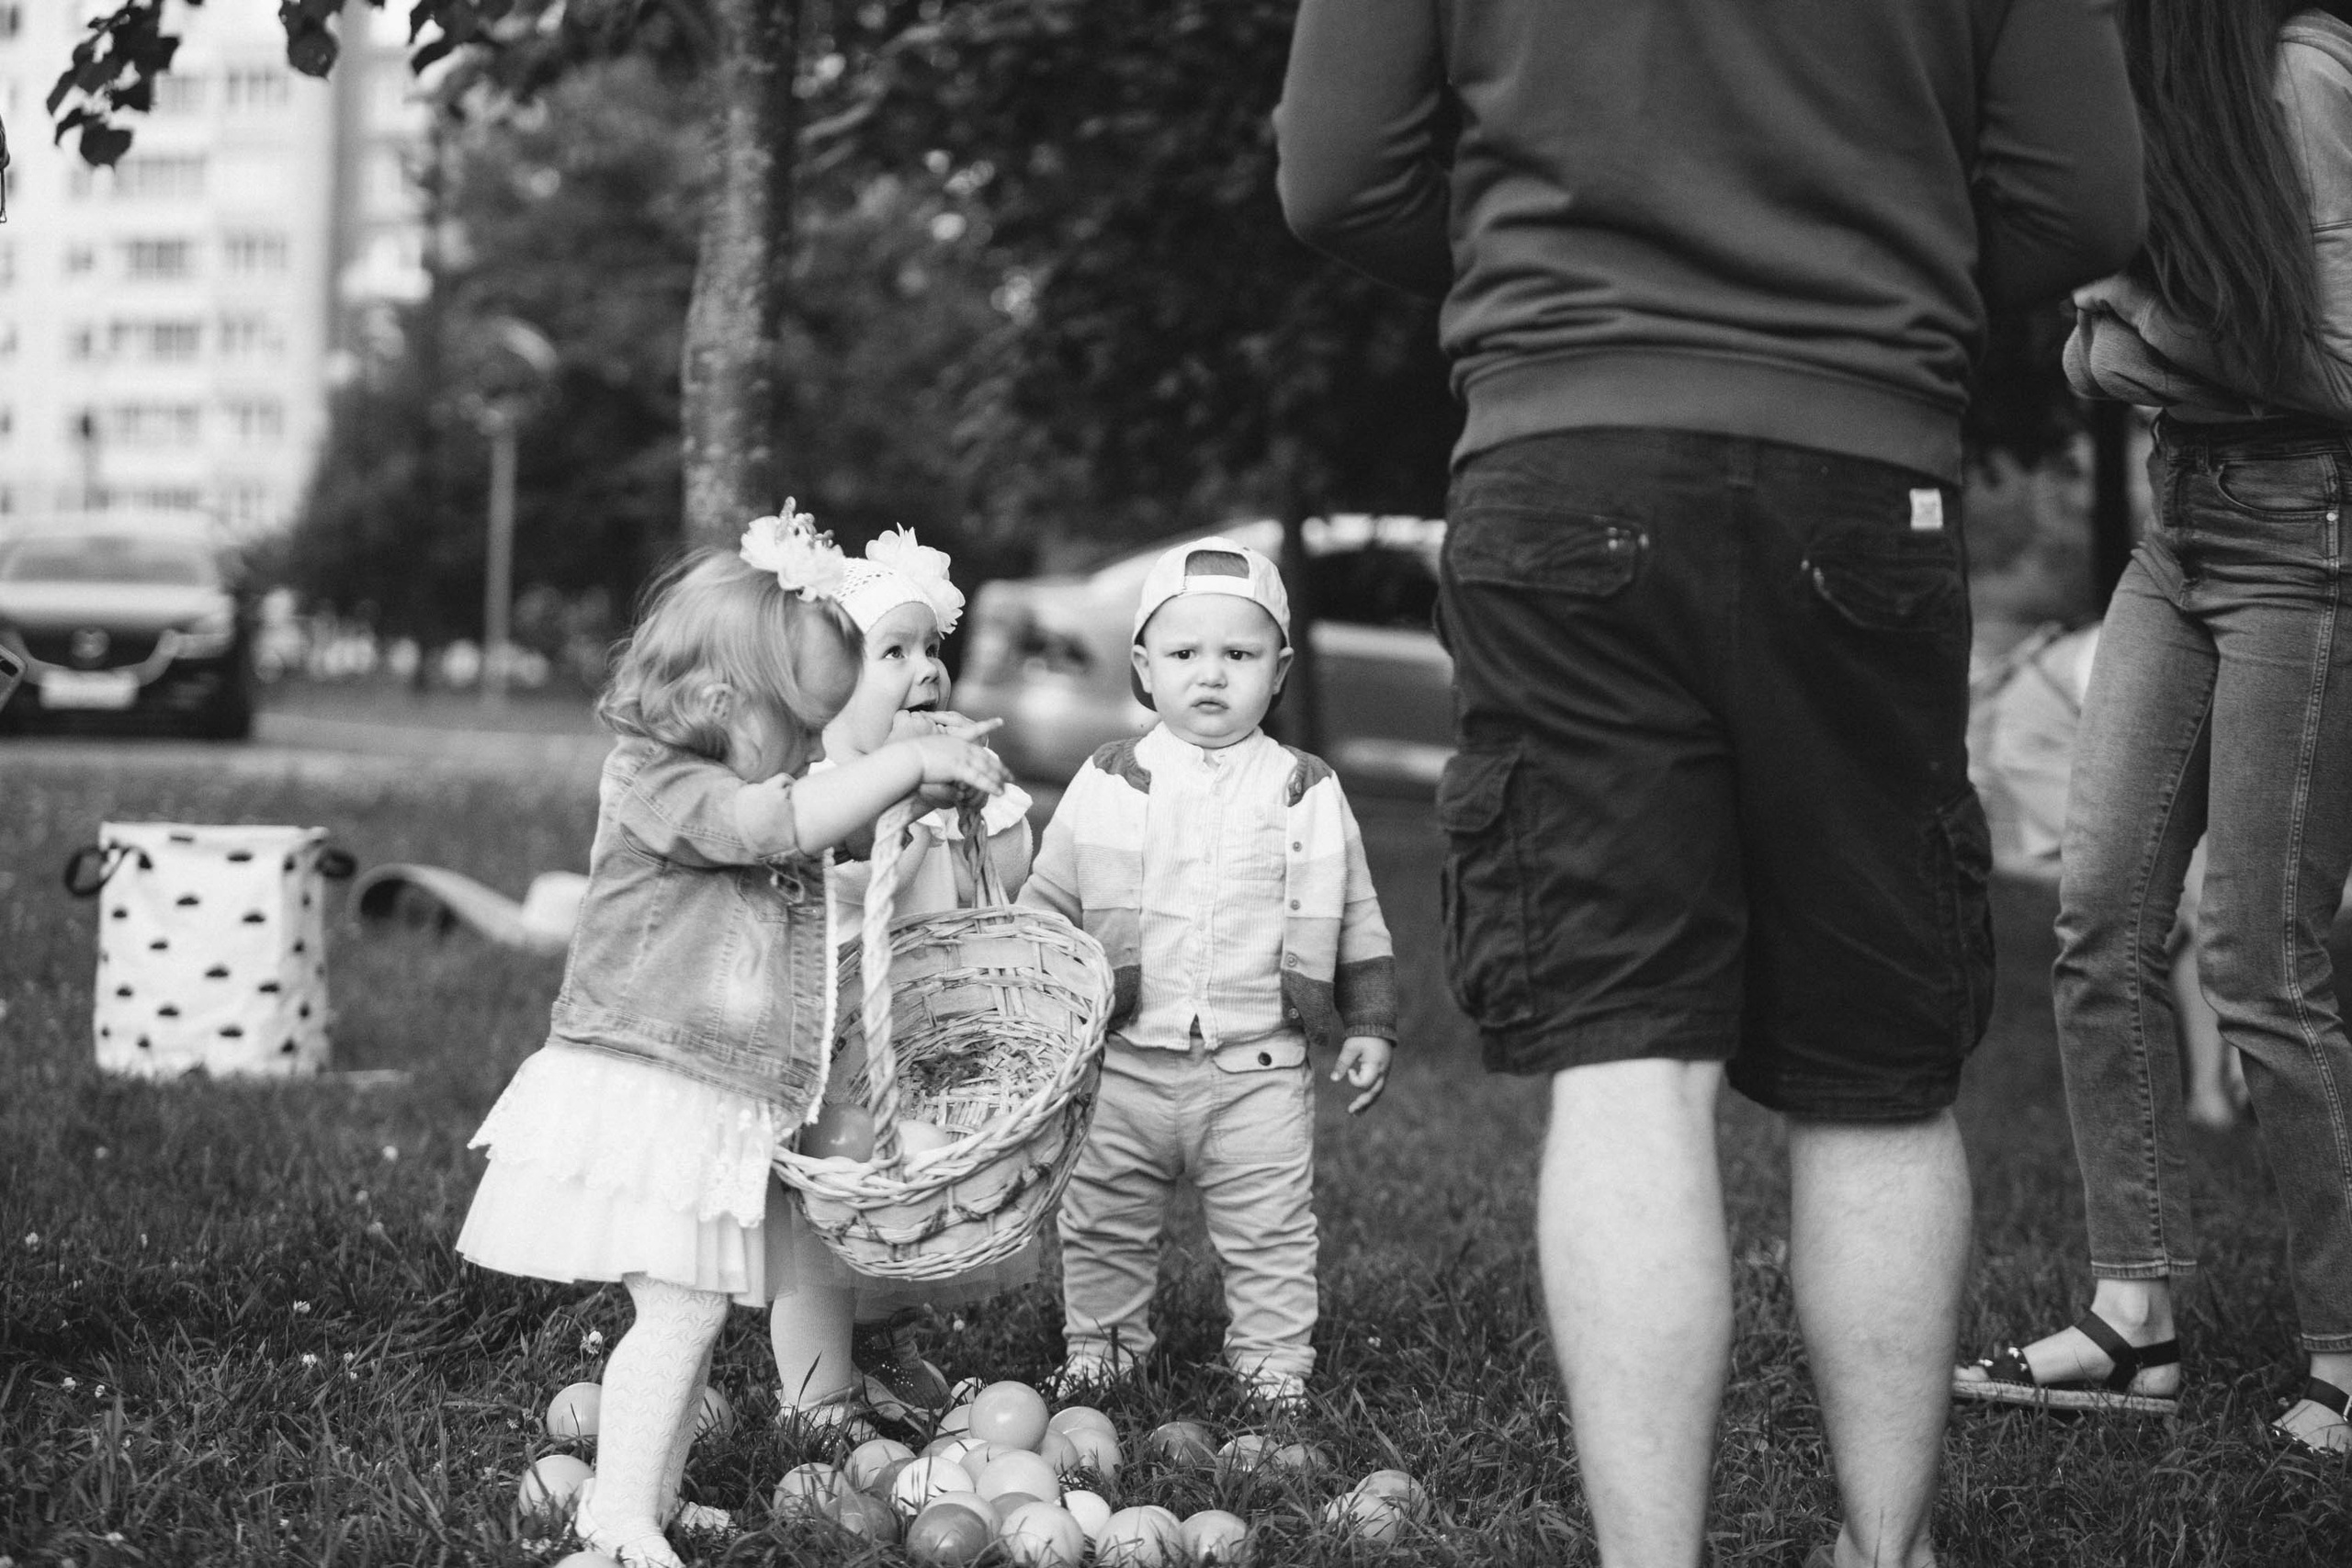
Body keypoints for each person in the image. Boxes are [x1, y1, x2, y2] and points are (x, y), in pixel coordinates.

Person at [1276, 3, 2143, 1564]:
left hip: (1567, 448)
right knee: (1874, 1066)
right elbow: (2083, 198)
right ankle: (1889, 1550)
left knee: (1626, 1054)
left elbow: (1339, 176)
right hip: (1865, 462)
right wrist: (1889, 284)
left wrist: (1553, 284)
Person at [454, 511, 1011, 1568]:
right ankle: (615, 1521)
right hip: (650, 1089)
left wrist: (921, 784)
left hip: (706, 1097)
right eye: (797, 723)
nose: (810, 748)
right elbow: (773, 825)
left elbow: (821, 823)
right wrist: (897, 767)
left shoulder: (741, 776)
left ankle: (642, 1496)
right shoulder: (659, 782)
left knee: (693, 1316)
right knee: (676, 1315)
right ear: (719, 702)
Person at [1953, 1, 2352, 1457]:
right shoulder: (2155, 99)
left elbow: (2333, 364)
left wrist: (2132, 318)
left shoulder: (2309, 79)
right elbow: (2084, 361)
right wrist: (2150, 329)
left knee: (2258, 959)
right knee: (2096, 917)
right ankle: (2136, 1315)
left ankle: (2349, 1345)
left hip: (2310, 548)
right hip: (2179, 537)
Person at [1020, 538, 1396, 1409]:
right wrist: (1040, 989)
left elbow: (1358, 912)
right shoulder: (1107, 780)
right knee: (1103, 1222)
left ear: (1281, 669)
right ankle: (1103, 1353)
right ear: (1145, 668)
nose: (1212, 675)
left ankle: (1272, 1369)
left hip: (1257, 1067)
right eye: (1186, 654)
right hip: (1123, 1064)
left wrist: (1370, 1020)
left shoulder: (1306, 788)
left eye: (1240, 654)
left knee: (1270, 1231)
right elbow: (1048, 894)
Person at [786, 526, 1039, 1425]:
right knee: (823, 1237)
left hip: (917, 1052)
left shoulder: (939, 790)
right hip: (830, 1062)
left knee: (910, 1220)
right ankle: (813, 1394)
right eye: (892, 652)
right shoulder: (823, 792)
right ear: (822, 690)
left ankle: (885, 1347)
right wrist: (900, 794)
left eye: (930, 647)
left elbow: (988, 889)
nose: (926, 669)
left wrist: (976, 802)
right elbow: (841, 870)